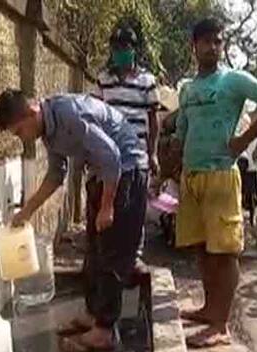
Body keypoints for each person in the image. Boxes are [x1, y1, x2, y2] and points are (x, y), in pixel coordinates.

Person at [0, 89, 148, 352]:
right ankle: (92, 313)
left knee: (112, 251)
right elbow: (56, 174)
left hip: (126, 171)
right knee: (95, 249)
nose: (22, 139)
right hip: (103, 174)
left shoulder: (68, 113)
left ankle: (105, 331)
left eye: (19, 132)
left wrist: (108, 206)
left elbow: (112, 155)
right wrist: (27, 211)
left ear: (31, 113)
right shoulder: (49, 132)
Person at [175, 18, 257, 348]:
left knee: (224, 253)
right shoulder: (188, 89)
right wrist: (170, 166)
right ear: (193, 46)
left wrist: (243, 139)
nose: (212, 47)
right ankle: (209, 310)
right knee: (201, 247)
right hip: (191, 176)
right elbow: (182, 130)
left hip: (222, 174)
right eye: (206, 41)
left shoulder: (234, 81)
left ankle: (220, 326)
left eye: (218, 41)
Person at [93, 24, 161, 275]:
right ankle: (107, 256)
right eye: (116, 48)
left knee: (136, 206)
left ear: (134, 50)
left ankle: (134, 256)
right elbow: (95, 115)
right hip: (110, 154)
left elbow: (154, 120)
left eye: (125, 48)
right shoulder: (103, 79)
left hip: (138, 154)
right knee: (109, 204)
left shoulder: (147, 81)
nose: (120, 52)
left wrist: (152, 153)